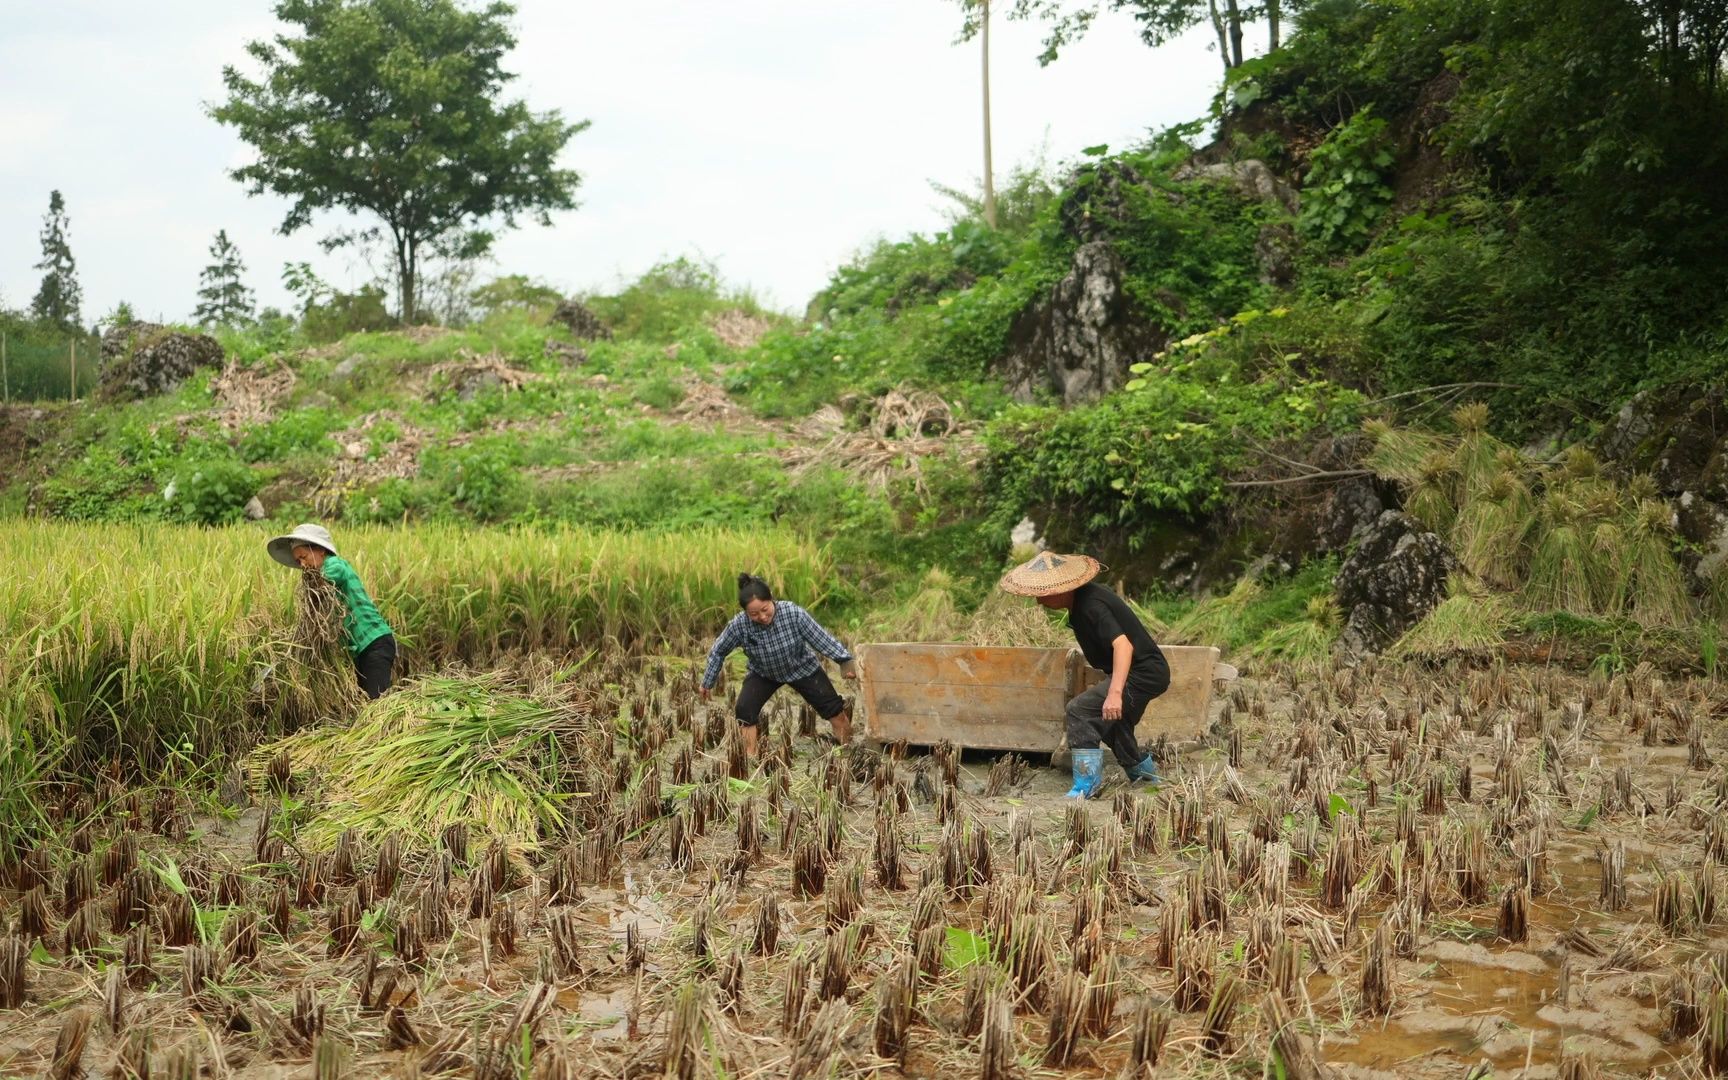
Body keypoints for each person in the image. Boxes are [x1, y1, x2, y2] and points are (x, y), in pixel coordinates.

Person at [999, 552, 1168, 799]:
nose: (1038, 601)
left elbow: (1124, 646)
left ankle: (1086, 786)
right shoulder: (1082, 602)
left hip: (1144, 673)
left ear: (1062, 589)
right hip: (1144, 672)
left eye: (1043, 594)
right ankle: (1144, 777)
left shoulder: (1091, 605)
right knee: (1111, 720)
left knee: (1079, 710)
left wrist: (1114, 693)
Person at [700, 573, 858, 756]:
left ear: (771, 599)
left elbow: (821, 639)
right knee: (744, 709)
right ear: (745, 613)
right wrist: (708, 681)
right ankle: (749, 756)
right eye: (754, 614)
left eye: (765, 609)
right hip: (764, 673)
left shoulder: (793, 614)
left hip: (802, 668)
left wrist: (844, 660)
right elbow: (718, 650)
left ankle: (847, 749)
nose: (762, 616)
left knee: (833, 708)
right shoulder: (739, 626)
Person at [267, 523, 397, 699]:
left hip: (375, 643)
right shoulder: (322, 580)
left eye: (304, 557)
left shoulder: (334, 565)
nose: (303, 565)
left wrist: (312, 587)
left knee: (377, 703)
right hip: (360, 650)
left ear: (320, 550)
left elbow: (325, 581)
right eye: (298, 561)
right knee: (366, 701)